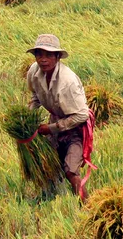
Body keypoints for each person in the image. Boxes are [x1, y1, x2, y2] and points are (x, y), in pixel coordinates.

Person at [26, 34, 95, 201]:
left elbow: (81, 115)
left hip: (76, 127)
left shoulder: (67, 81)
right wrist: (27, 119)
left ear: (57, 57)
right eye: (39, 54)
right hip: (55, 121)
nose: (43, 59)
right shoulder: (34, 72)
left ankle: (87, 205)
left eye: (49, 55)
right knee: (47, 163)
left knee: (71, 170)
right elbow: (35, 96)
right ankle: (47, 198)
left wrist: (50, 128)